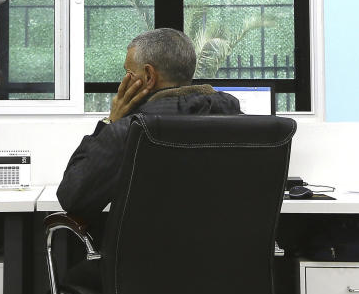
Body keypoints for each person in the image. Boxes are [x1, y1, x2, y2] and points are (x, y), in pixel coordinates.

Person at [57, 28, 243, 219]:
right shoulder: (247, 127)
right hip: (230, 248)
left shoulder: (128, 132)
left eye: (128, 73)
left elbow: (71, 198)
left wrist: (110, 122)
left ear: (148, 76)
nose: (124, 82)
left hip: (145, 249)